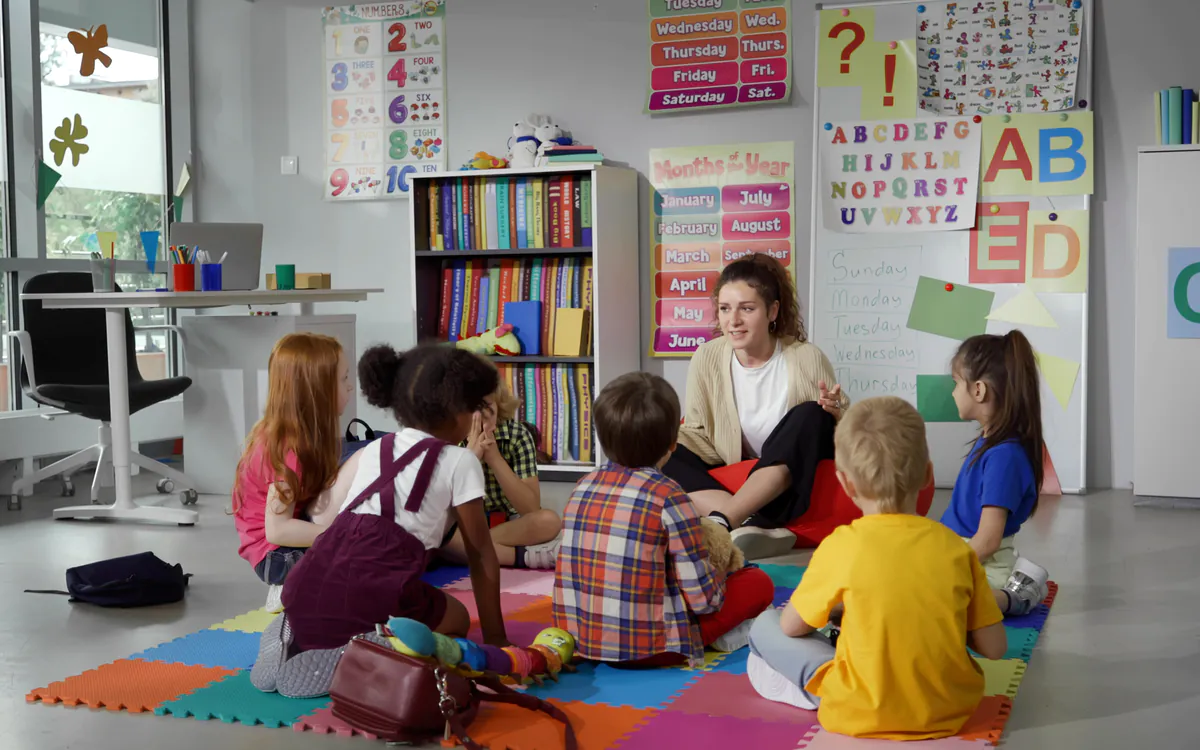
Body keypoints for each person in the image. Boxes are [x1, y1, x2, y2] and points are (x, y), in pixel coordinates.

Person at [746, 396, 1007, 740]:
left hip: (857, 709)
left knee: (764, 625)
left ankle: (804, 690)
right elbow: (995, 648)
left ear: (846, 484)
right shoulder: (956, 550)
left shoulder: (840, 545)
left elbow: (792, 627)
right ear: (928, 474)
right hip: (950, 710)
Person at [279, 343, 509, 654]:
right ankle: (377, 644)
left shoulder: (376, 448)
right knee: (458, 619)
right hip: (377, 592)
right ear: (458, 413)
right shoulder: (459, 460)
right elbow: (481, 555)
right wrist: (496, 641)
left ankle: (308, 638)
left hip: (305, 586)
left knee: (354, 598)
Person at [553, 372, 775, 668]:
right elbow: (703, 600)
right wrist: (723, 572)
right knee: (758, 582)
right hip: (655, 649)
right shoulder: (670, 497)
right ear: (673, 443)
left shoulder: (581, 487)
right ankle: (721, 637)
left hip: (584, 642)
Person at [662, 253, 850, 560]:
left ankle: (726, 519)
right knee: (661, 449)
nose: (732, 321)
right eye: (724, 309)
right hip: (730, 466)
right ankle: (750, 521)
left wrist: (836, 413)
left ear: (772, 310)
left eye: (746, 309)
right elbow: (696, 431)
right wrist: (665, 447)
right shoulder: (706, 357)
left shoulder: (806, 358)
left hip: (790, 478)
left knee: (812, 414)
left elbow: (842, 431)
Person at [232, 332, 359, 613]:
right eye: (344, 379)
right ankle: (291, 586)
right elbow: (277, 530)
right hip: (277, 558)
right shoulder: (289, 448)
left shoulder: (293, 432)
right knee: (365, 563)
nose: (350, 387)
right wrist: (340, 536)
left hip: (278, 547)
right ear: (318, 390)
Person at [943, 330, 1051, 616]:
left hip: (982, 564)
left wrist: (943, 566)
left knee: (932, 600)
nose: (953, 392)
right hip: (961, 553)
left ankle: (1014, 597)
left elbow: (988, 541)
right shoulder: (991, 443)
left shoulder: (1004, 457)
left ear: (978, 390)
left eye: (956, 384)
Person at [441, 376, 562, 570]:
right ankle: (521, 557)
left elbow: (531, 509)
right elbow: (441, 507)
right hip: (461, 527)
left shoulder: (517, 435)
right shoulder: (449, 436)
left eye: (487, 407)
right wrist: (469, 458)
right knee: (437, 536)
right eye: (473, 408)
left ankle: (462, 552)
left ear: (499, 405)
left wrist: (494, 458)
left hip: (507, 526)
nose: (481, 416)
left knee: (549, 521)